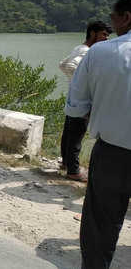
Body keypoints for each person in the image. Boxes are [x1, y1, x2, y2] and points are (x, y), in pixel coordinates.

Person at [66, 0, 131, 268]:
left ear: (126, 18)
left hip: (113, 153)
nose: (111, 25)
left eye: (113, 18)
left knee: (100, 227)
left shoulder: (101, 53)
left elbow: (76, 106)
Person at [58, 20, 111, 182]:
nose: (106, 39)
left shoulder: (78, 48)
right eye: (103, 35)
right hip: (82, 102)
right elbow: (70, 67)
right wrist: (84, 83)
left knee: (68, 134)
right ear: (93, 33)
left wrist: (74, 83)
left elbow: (62, 64)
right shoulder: (87, 52)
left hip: (72, 99)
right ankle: (73, 171)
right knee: (76, 137)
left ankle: (66, 164)